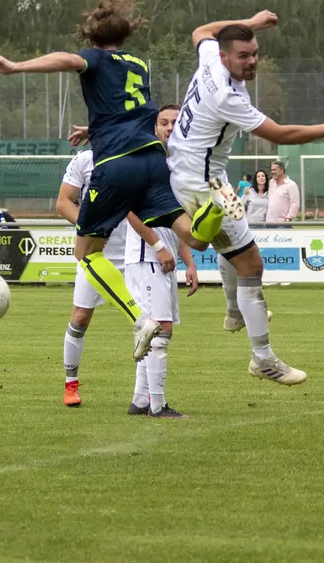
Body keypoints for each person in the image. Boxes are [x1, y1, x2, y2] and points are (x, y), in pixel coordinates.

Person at [0, 0, 199, 364]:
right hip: (151, 158)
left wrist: (15, 66)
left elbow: (67, 60)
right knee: (191, 233)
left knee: (86, 253)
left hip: (118, 164)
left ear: (92, 38)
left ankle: (139, 319)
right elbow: (131, 113)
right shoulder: (138, 64)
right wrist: (95, 128)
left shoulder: (95, 57)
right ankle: (213, 217)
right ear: (125, 35)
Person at [167, 10, 324, 386]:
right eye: (243, 56)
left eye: (254, 53)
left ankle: (235, 312)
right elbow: (282, 135)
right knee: (251, 265)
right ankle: (262, 358)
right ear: (225, 57)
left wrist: (250, 23)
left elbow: (201, 30)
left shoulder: (210, 55)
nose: (252, 61)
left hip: (210, 178)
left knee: (238, 249)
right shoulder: (224, 94)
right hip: (197, 184)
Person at [59, 109, 194, 413]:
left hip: (135, 247)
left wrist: (186, 257)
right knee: (81, 318)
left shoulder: (139, 158)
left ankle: (142, 399)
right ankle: (71, 383)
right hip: (100, 251)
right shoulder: (85, 160)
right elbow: (62, 202)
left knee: (150, 326)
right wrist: (91, 226)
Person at [123, 104, 194, 418]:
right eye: (163, 122)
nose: (169, 127)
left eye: (175, 122)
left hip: (163, 257)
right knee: (160, 330)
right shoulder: (145, 161)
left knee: (155, 331)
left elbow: (177, 222)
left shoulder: (176, 167)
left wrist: (189, 261)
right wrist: (156, 246)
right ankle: (157, 405)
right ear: (154, 129)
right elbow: (129, 208)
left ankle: (140, 400)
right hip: (146, 256)